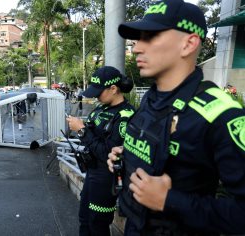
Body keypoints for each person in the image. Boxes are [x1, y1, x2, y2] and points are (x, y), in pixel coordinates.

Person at [107, 0, 245, 235]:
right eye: (137, 38)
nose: (136, 48)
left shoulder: (221, 114)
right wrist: (126, 157)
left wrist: (169, 200)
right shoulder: (151, 100)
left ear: (188, 43)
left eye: (149, 36)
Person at [67, 66, 135, 236]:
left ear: (113, 89)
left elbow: (108, 153)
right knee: (84, 219)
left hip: (106, 179)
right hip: (92, 174)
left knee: (98, 225)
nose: (96, 96)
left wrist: (82, 131)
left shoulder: (126, 115)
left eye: (99, 92)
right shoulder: (101, 108)